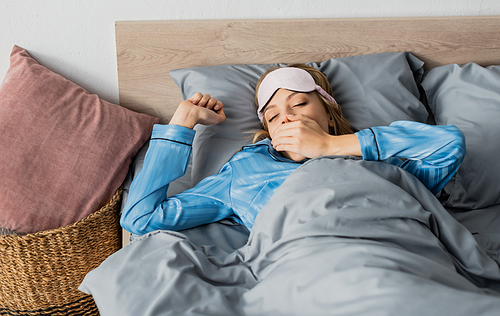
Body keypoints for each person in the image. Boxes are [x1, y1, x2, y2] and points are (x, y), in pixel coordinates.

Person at [120, 64, 465, 236]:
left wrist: (332, 146)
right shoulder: (245, 170)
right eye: (271, 115)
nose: (285, 117)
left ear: (329, 114)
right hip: (304, 259)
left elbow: (448, 145)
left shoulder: (376, 151)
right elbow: (140, 218)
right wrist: (182, 122)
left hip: (395, 244)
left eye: (298, 103)